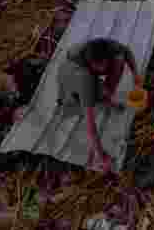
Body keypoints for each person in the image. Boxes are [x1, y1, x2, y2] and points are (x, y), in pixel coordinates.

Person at [56, 38, 142, 171]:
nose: (105, 69)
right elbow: (90, 125)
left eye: (106, 63)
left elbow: (126, 52)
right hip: (70, 85)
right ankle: (95, 100)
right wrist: (102, 157)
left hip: (86, 73)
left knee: (119, 61)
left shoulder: (106, 46)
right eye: (100, 66)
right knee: (87, 96)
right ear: (91, 63)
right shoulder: (85, 78)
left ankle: (105, 96)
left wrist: (135, 74)